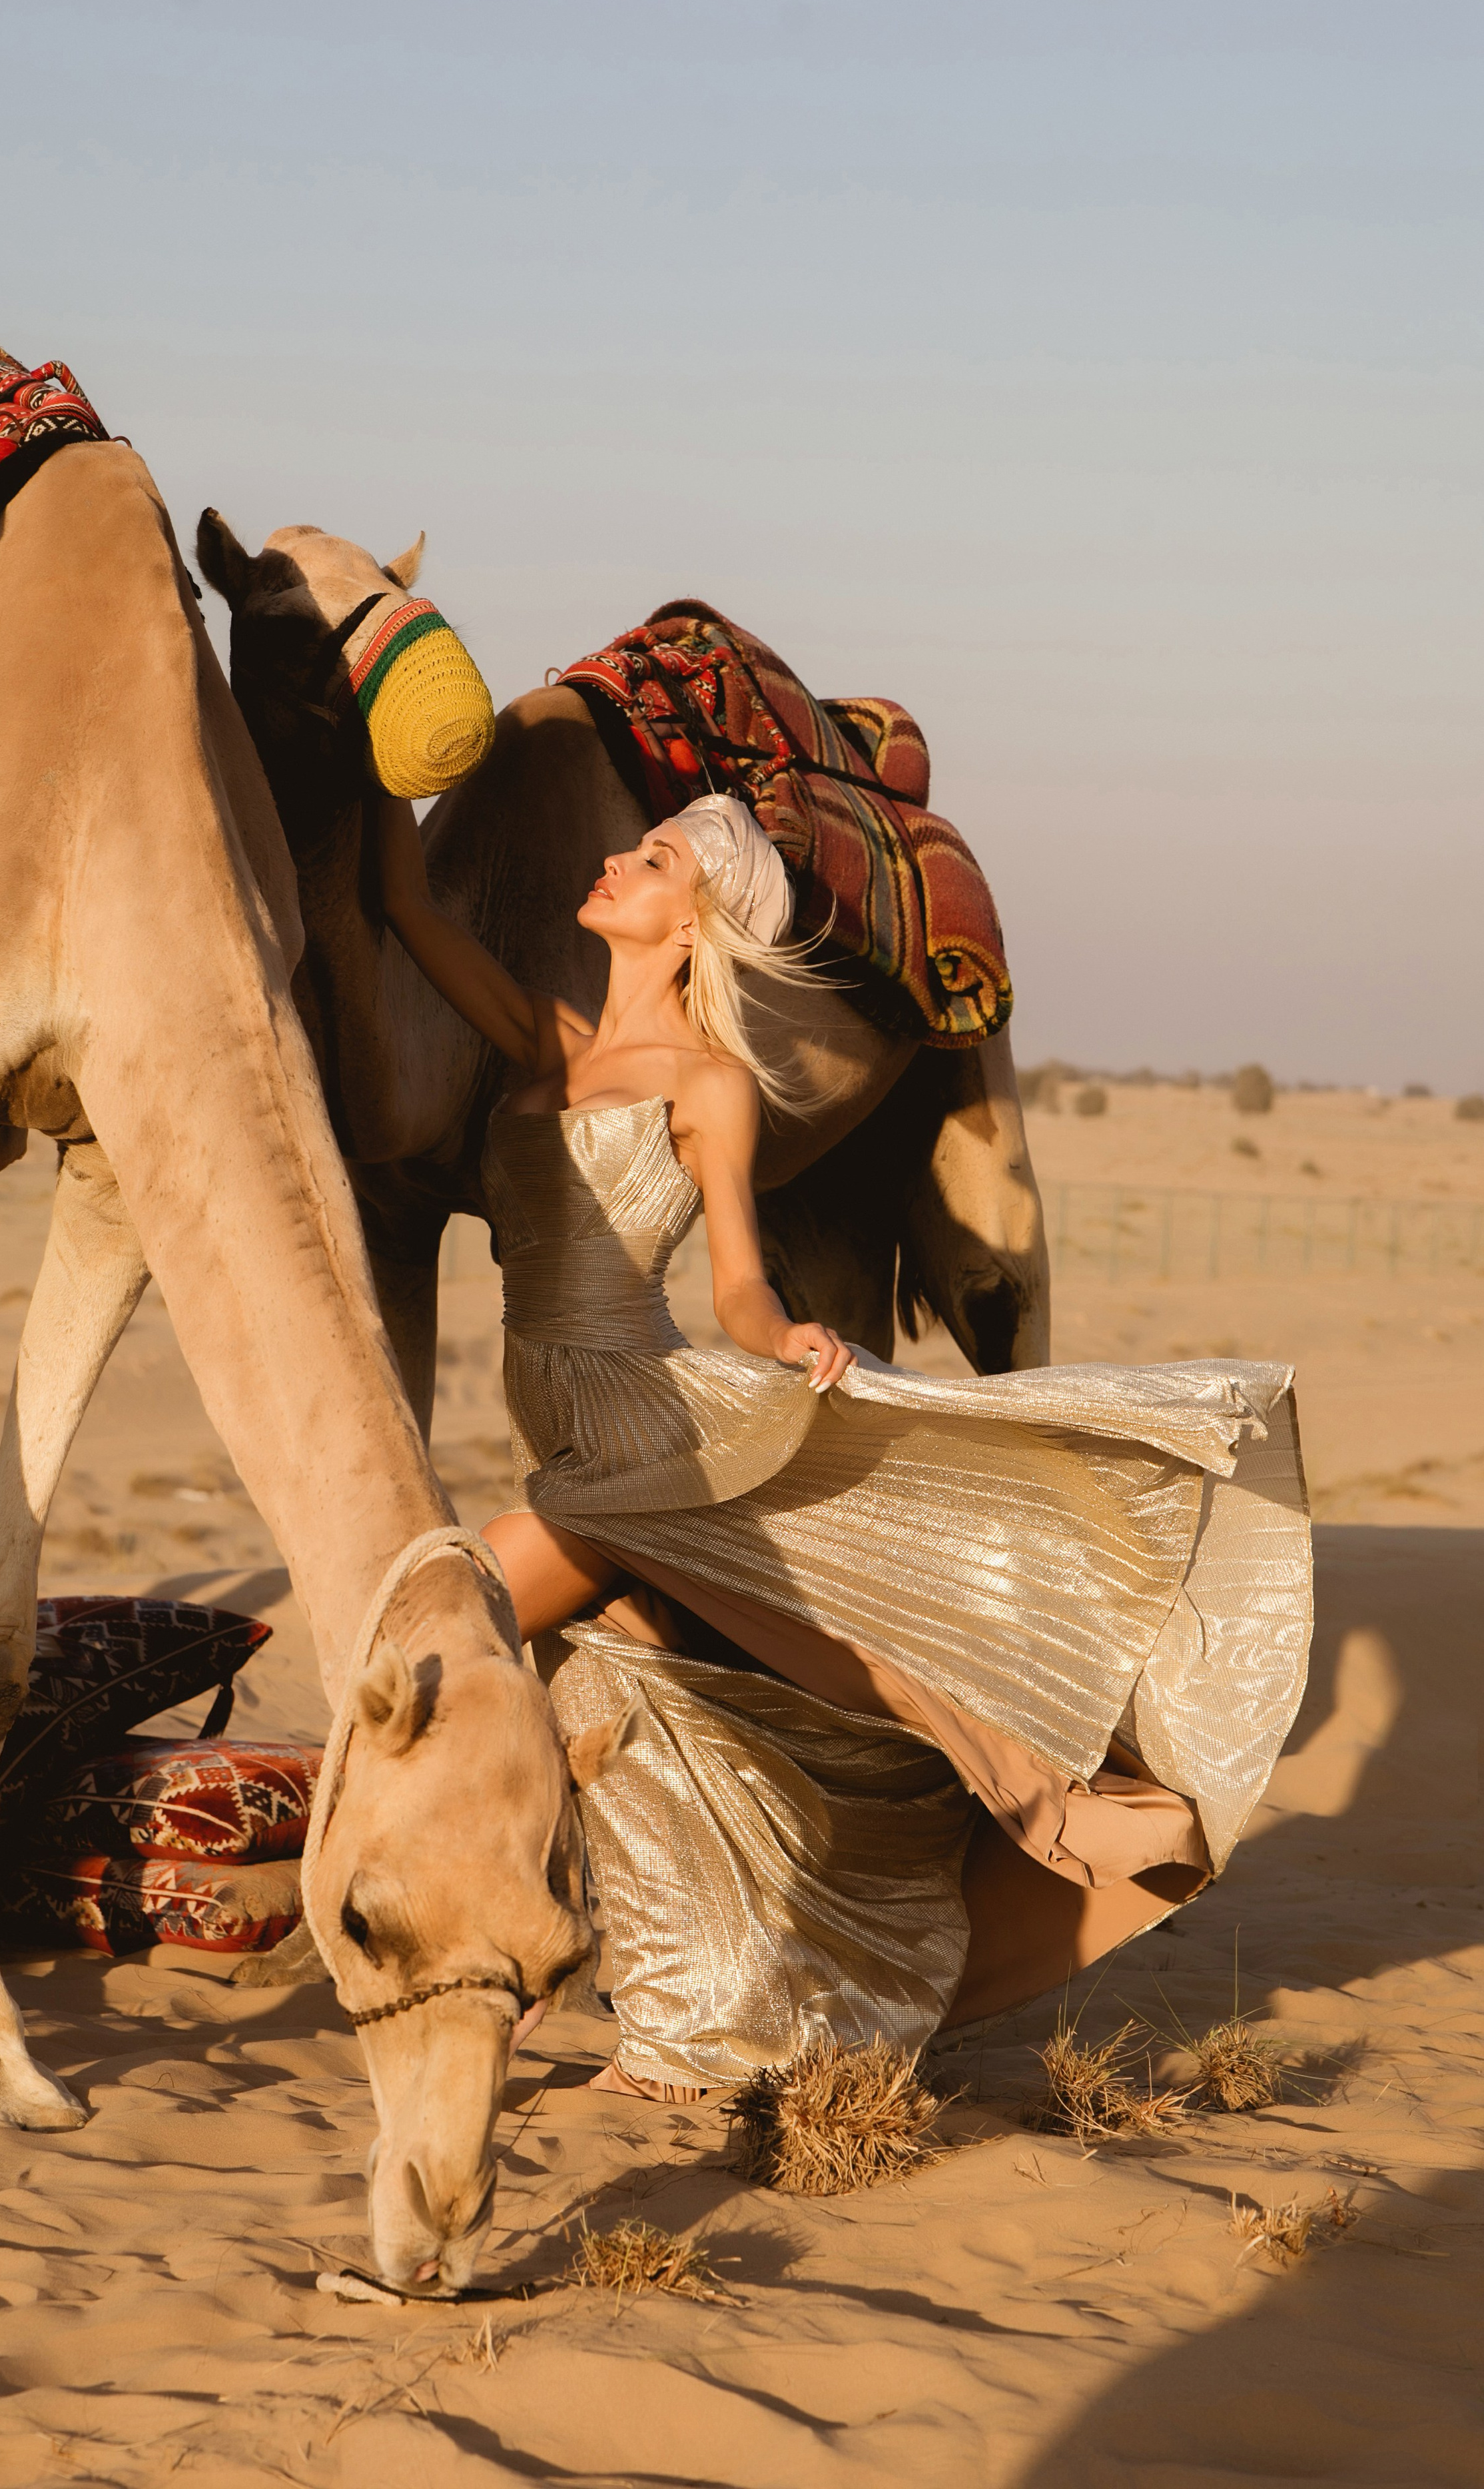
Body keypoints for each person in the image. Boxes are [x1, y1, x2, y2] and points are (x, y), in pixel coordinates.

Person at [376, 790, 1312, 2100]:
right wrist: (372, 764)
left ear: (691, 919)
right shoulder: (547, 1037)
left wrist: (789, 1345)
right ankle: (686, 2022)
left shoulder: (711, 1086)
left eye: (645, 861)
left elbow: (736, 1289)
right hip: (567, 1438)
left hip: (641, 1446)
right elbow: (409, 908)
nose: (606, 862)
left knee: (438, 1640)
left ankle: (482, 1948)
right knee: (613, 1704)